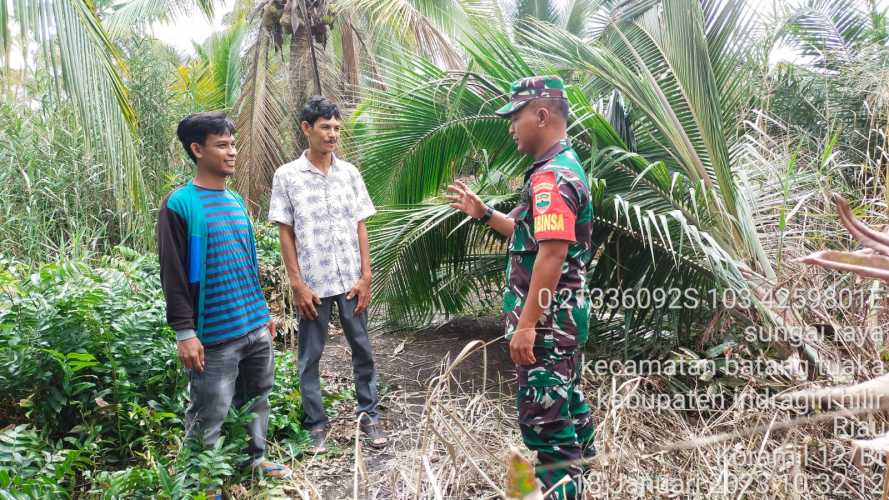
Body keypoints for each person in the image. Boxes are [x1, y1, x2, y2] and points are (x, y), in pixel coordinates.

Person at [447, 76, 595, 499]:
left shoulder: (551, 178)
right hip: (562, 325)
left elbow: (552, 255)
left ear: (542, 115)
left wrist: (527, 325)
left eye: (516, 116)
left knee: (546, 431)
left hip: (546, 329)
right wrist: (484, 212)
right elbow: (531, 236)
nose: (511, 126)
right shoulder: (561, 168)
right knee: (568, 413)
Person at [156, 112, 292, 483]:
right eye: (222, 145)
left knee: (257, 398)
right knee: (209, 411)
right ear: (197, 149)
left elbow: (248, 263)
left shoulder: (234, 201)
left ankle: (255, 459)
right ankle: (203, 480)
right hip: (213, 337)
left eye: (233, 144)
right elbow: (173, 275)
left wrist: (263, 311)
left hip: (252, 326)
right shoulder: (180, 205)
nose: (232, 151)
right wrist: (185, 333)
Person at [268, 96, 387, 453]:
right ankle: (316, 424)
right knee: (310, 357)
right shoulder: (287, 176)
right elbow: (285, 231)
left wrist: (366, 276)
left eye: (337, 127)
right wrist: (297, 284)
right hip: (314, 286)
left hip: (351, 281)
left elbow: (360, 225)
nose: (333, 134)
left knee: (363, 350)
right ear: (307, 129)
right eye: (325, 127)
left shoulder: (349, 174)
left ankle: (370, 416)